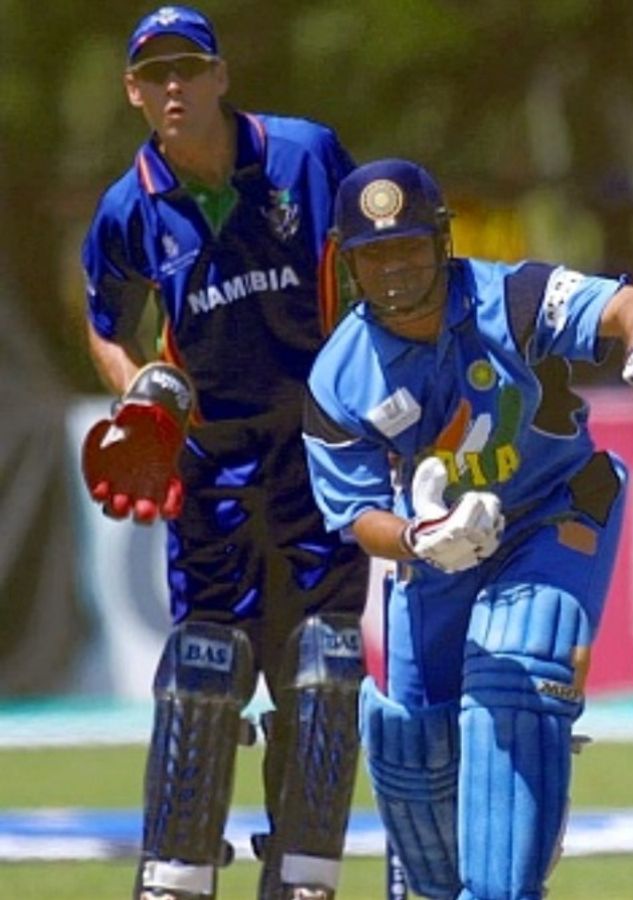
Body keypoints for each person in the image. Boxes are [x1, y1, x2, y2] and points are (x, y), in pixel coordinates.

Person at [300, 158, 633, 900]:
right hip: (435, 549)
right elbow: (359, 515)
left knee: (515, 672)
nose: (394, 270)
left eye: (409, 248)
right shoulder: (339, 376)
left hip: (555, 507)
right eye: (374, 255)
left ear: (443, 244)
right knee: (413, 746)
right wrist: (422, 541)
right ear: (349, 261)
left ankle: (507, 884)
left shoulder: (510, 298)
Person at [78, 6, 367, 898]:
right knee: (203, 676)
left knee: (324, 674)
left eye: (188, 69)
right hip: (210, 473)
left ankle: (303, 876)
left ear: (220, 76)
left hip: (319, 460)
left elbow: (387, 262)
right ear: (133, 92)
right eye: (155, 74)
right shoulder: (130, 208)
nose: (174, 87)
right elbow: (104, 326)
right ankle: (174, 875)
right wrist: (139, 395)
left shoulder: (306, 156)